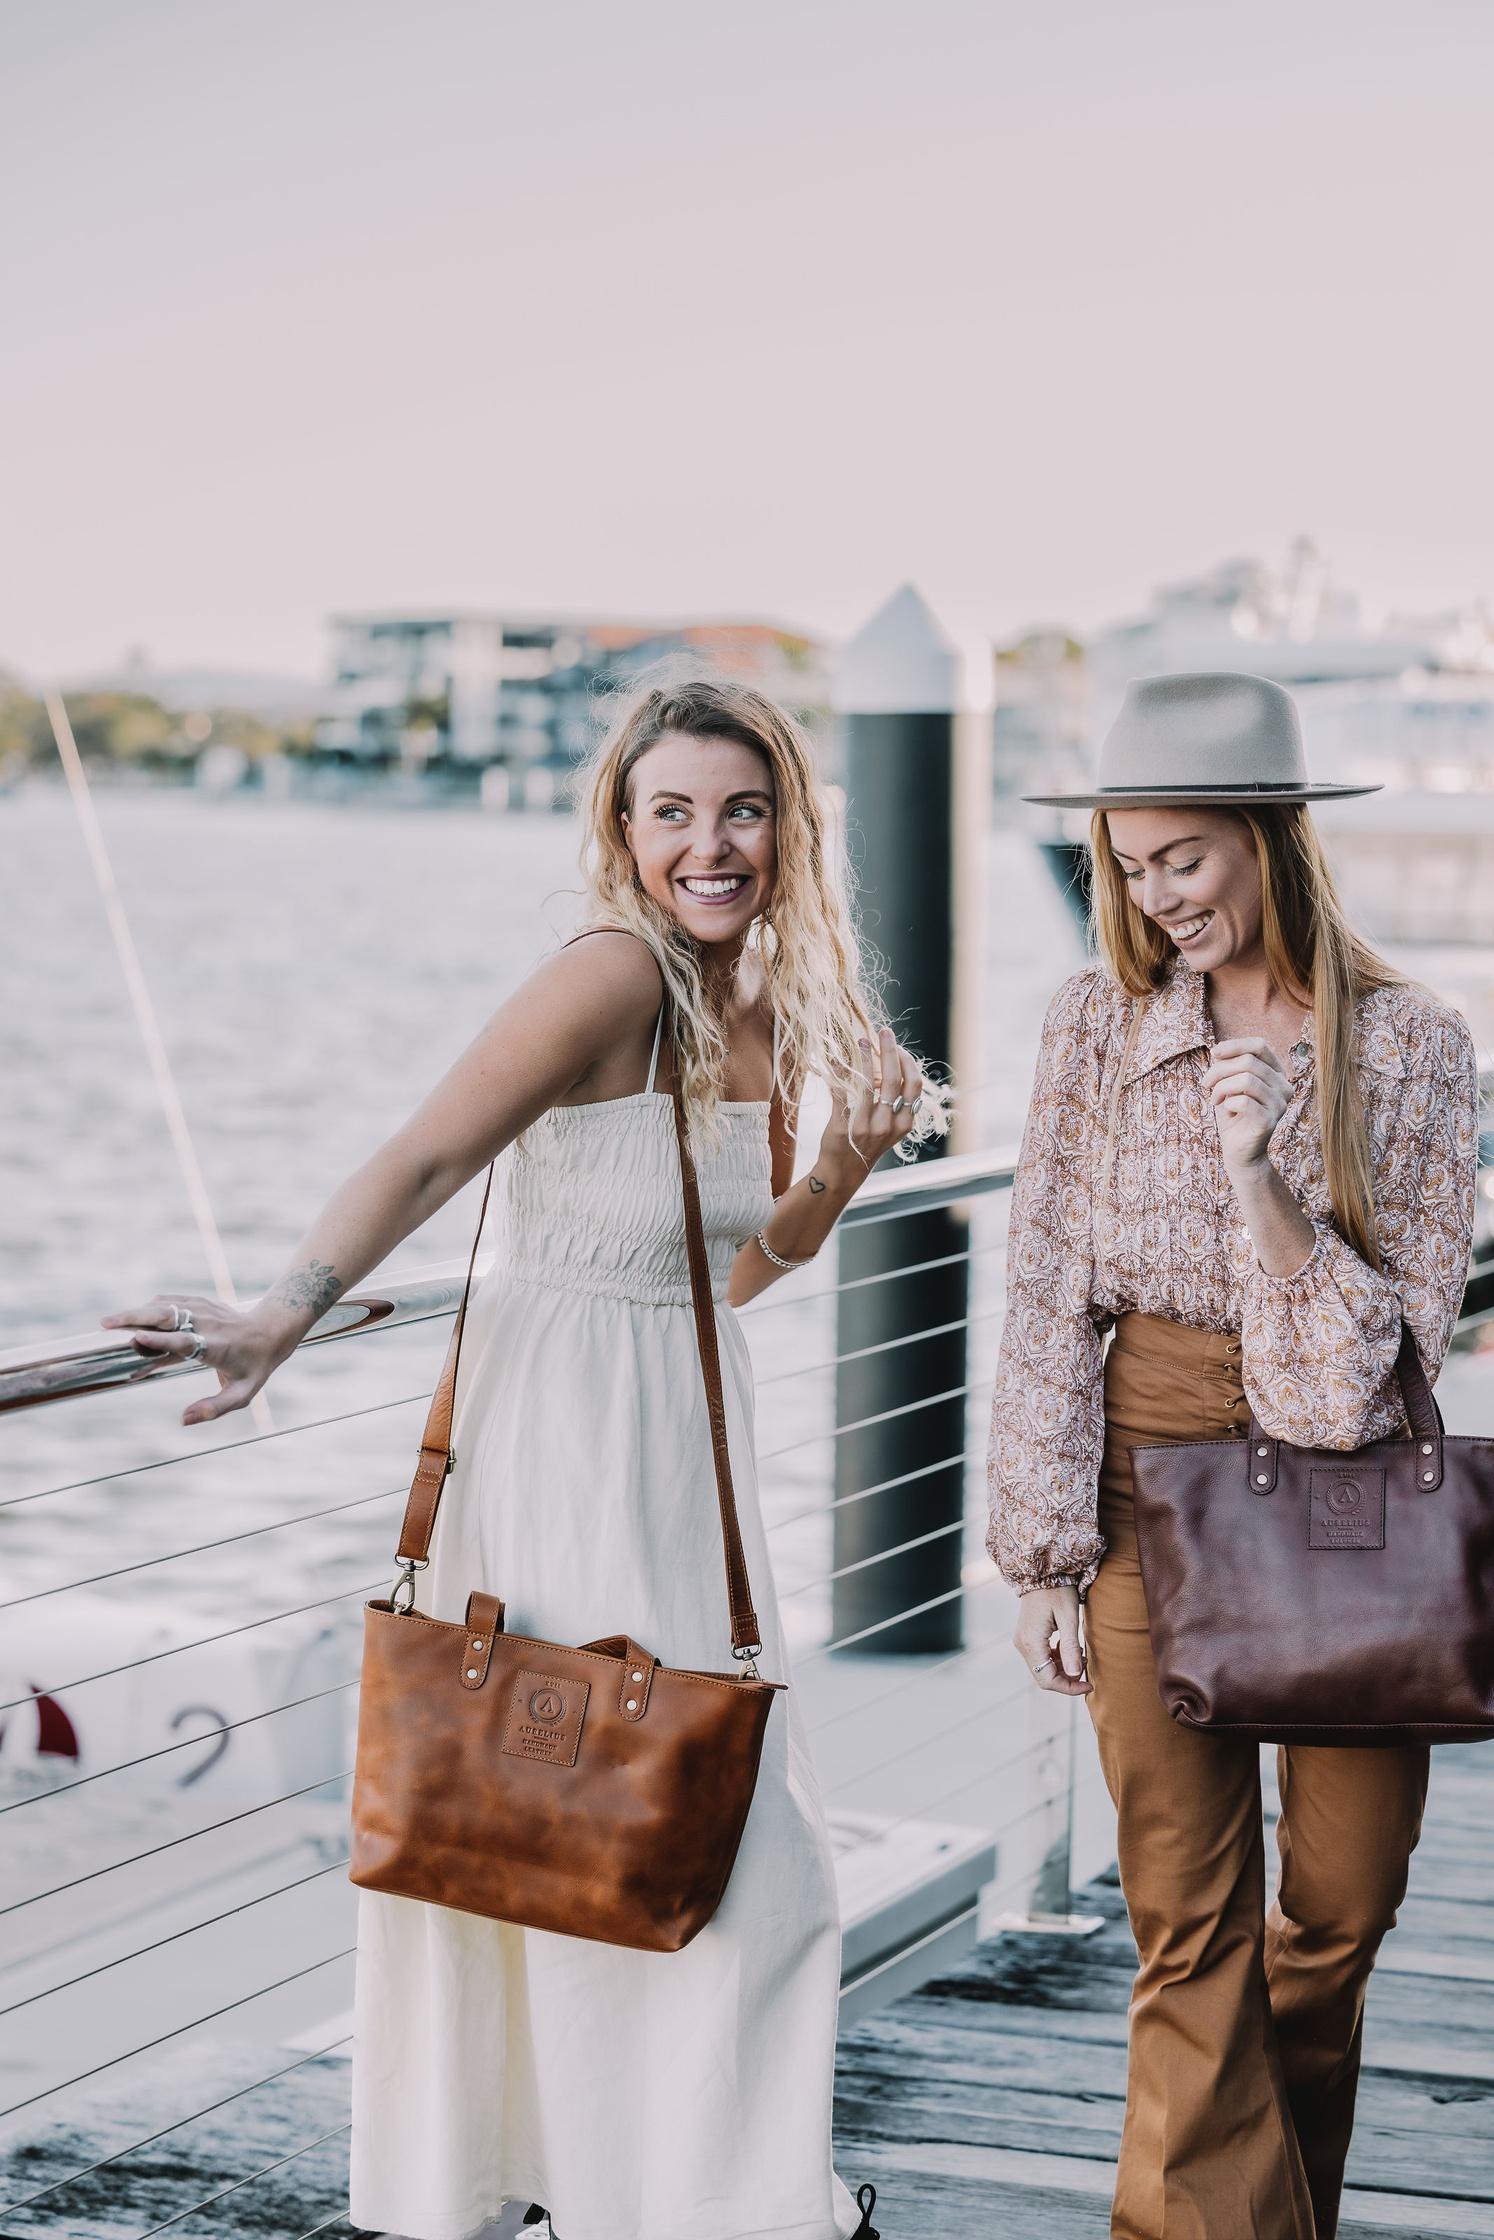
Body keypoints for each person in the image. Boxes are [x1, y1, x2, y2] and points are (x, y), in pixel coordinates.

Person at [104, 678, 945, 2240]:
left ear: (792, 828)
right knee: (571, 1823)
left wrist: (844, 1160)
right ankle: (673, 2201)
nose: (710, 843)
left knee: (689, 1834)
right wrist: (278, 1317)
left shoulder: (762, 1002)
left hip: (679, 1445)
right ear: (622, 830)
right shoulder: (609, 972)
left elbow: (736, 1272)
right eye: (672, 811)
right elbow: (428, 1153)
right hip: (556, 1441)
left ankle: (663, 2197)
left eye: (743, 810)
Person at [986, 672, 1479, 2240]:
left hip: (1346, 1501)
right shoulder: (1092, 1023)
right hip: (1138, 1487)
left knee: (1334, 1919)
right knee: (1186, 1930)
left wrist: (1260, 1180)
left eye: (1182, 857)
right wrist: (1042, 1558)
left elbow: (1368, 1381)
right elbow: (1046, 1292)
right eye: (1128, 864)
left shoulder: (1412, 1047)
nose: (1154, 896)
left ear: (1270, 837)